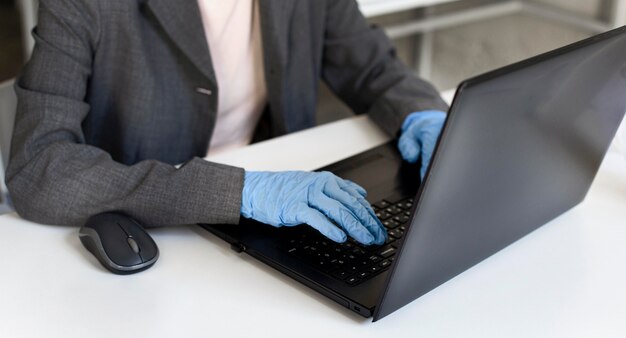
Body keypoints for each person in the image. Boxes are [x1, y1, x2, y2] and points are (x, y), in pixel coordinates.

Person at [6, 0, 448, 246]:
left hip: (268, 230)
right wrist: (240, 192)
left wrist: (424, 114)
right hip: (156, 229)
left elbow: (371, 68)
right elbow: (38, 168)